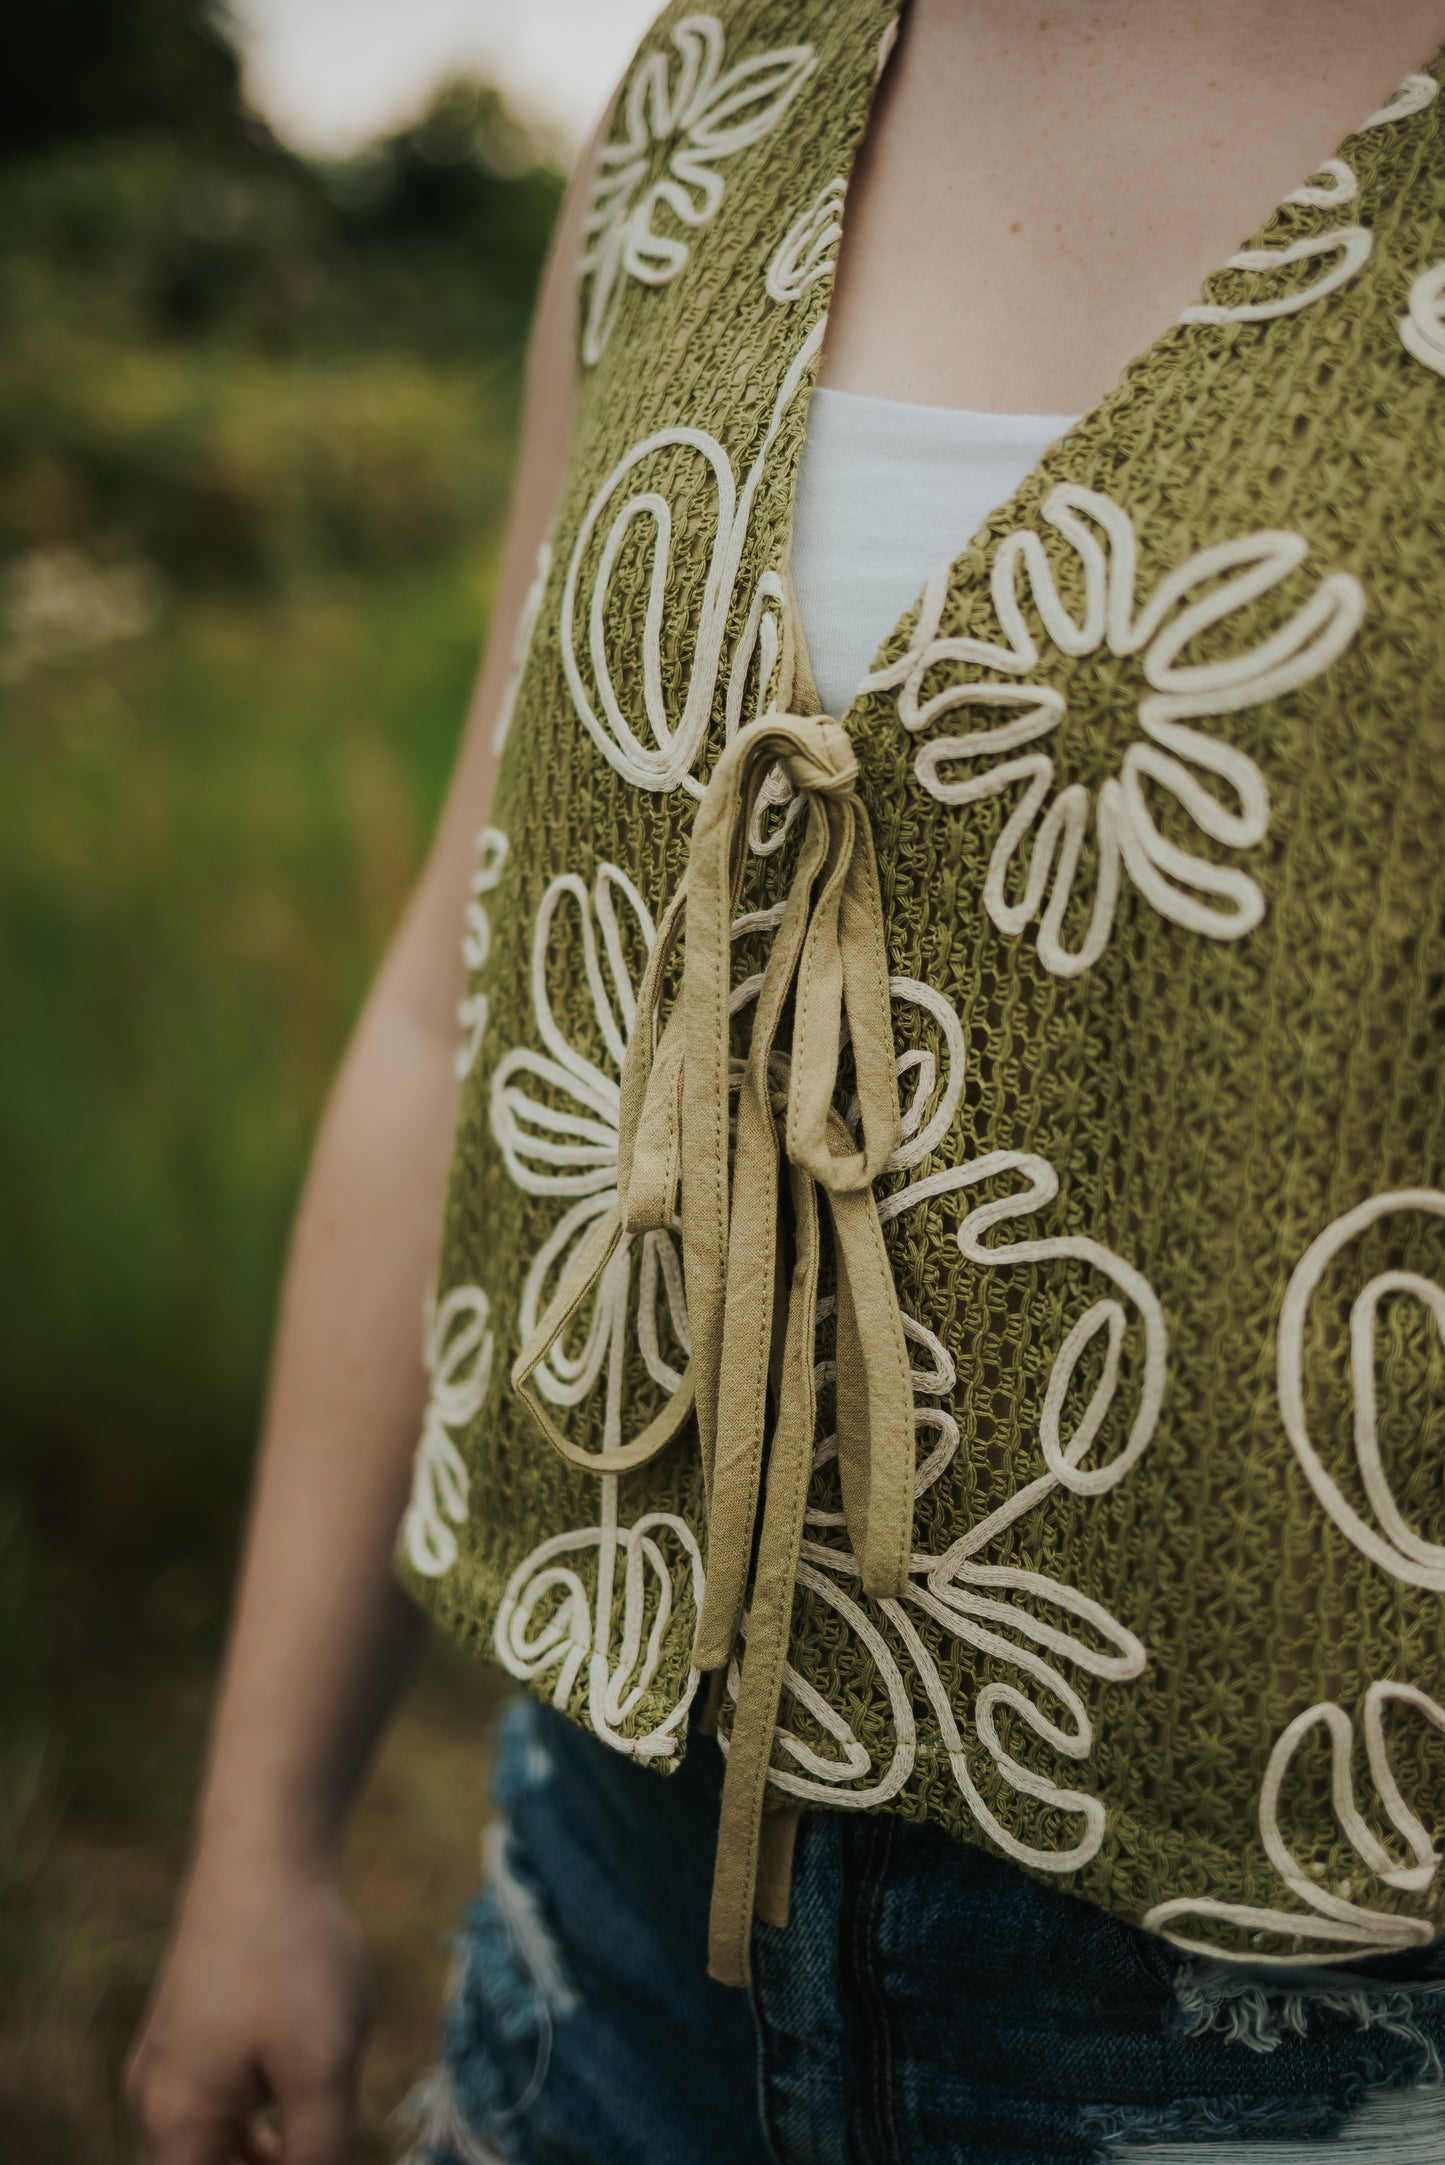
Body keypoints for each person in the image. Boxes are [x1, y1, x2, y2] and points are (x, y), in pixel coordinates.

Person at [127, 3, 1445, 2160]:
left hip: (1311, 2015)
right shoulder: (708, 96)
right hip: (619, 1919)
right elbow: (454, 1003)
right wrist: (261, 1832)